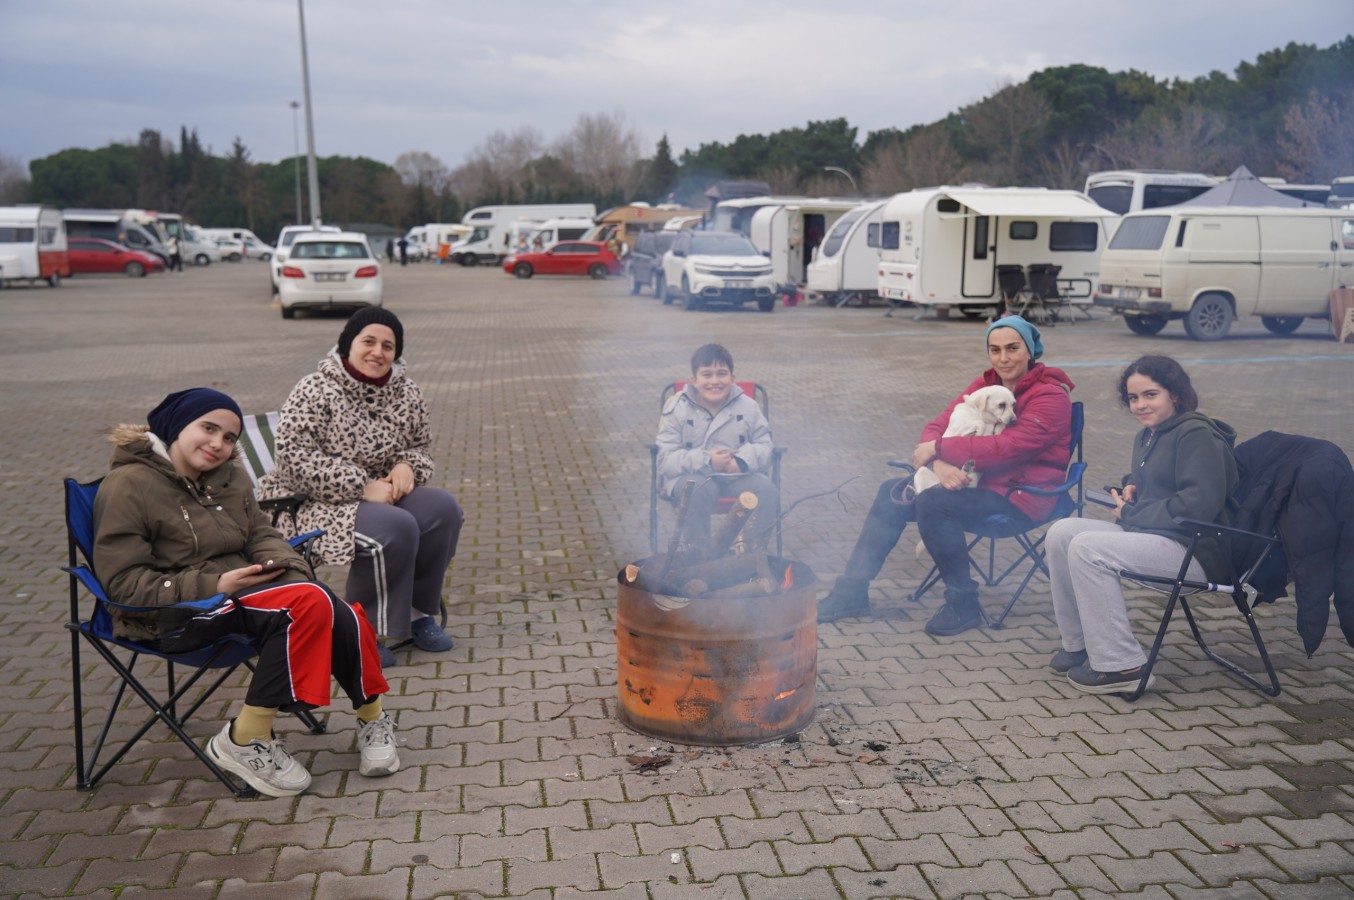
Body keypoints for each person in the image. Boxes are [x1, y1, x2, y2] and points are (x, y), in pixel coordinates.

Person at [92, 388, 398, 798]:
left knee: (325, 601)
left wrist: (283, 568)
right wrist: (215, 585)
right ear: (176, 426)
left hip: (241, 596)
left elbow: (260, 533)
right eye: (208, 428)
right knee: (308, 602)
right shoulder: (129, 485)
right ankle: (243, 737)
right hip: (176, 613)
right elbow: (124, 584)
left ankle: (370, 717)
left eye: (230, 437)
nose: (218, 444)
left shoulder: (229, 477)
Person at [818, 316, 1075, 635]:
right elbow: (938, 424)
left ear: (1031, 349)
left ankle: (963, 604)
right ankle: (851, 591)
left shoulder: (1051, 396)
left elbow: (1009, 447)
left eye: (1012, 348)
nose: (1003, 358)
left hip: (1020, 496)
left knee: (935, 502)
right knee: (891, 492)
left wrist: (937, 449)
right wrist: (937, 463)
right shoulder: (984, 386)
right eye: (994, 350)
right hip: (974, 482)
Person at [258, 308, 462, 668]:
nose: (377, 352)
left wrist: (406, 466)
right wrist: (361, 486)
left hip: (384, 493)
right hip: (312, 502)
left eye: (388, 345)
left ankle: (417, 615)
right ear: (347, 344)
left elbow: (418, 446)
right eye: (368, 341)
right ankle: (362, 629)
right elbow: (292, 457)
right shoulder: (315, 388)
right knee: (396, 528)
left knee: (442, 511)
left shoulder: (406, 390)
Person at [1046, 355, 1238, 694]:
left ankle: (1122, 665)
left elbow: (1198, 505)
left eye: (1151, 395)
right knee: (1062, 532)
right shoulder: (1149, 434)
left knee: (1087, 548)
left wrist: (1130, 514)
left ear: (1174, 395)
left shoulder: (1196, 433)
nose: (1140, 405)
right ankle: (1079, 644)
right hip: (1161, 536)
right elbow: (1161, 481)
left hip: (1199, 551)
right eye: (1133, 398)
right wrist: (1131, 487)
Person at [656, 343, 778, 550]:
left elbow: (766, 447)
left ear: (732, 378)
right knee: (696, 488)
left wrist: (741, 462)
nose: (715, 381)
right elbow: (665, 460)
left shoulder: (748, 406)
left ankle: (752, 556)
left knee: (767, 490)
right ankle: (699, 557)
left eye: (722, 374)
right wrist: (707, 460)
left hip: (736, 477)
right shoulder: (677, 407)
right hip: (690, 477)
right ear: (694, 381)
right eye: (707, 374)